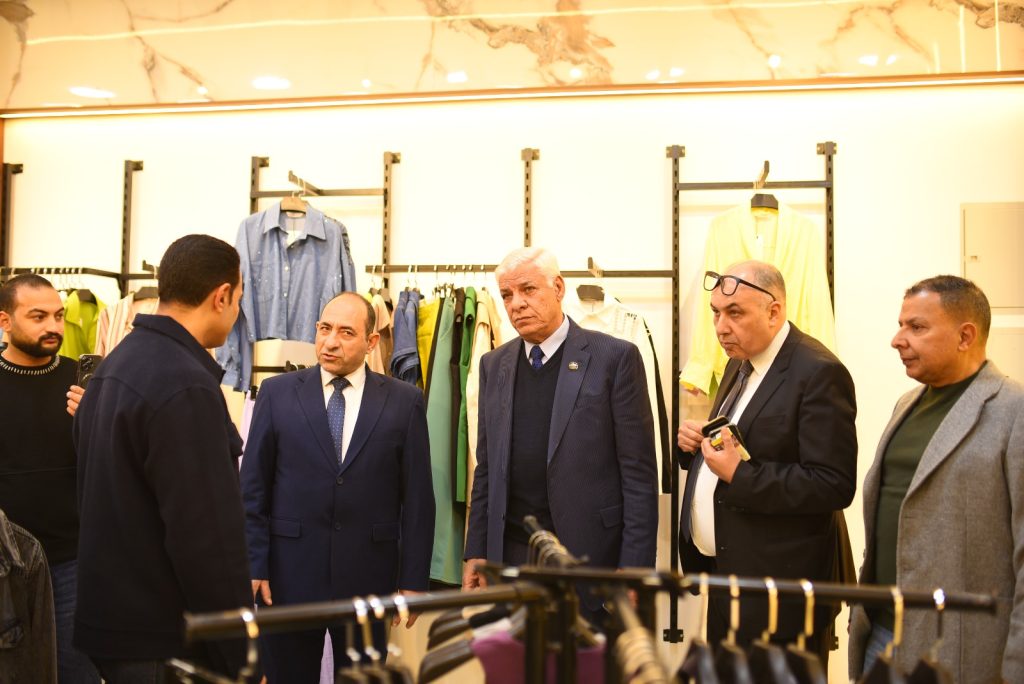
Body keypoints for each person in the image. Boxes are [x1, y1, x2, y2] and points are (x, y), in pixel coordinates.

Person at [73, 235, 252, 682]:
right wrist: (242, 656)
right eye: (238, 299)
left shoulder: (115, 365)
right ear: (222, 296)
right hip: (164, 639)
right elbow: (206, 538)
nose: (236, 312)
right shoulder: (184, 384)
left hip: (116, 628)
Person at [241, 292, 434, 683]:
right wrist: (254, 563)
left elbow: (418, 499)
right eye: (324, 329)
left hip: (369, 576)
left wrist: (414, 581)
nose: (330, 342)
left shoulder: (404, 401)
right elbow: (253, 488)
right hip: (288, 575)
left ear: (371, 341)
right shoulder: (277, 393)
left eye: (346, 332)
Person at [463, 247, 659, 619]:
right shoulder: (494, 364)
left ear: (558, 288)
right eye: (506, 295)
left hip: (589, 556)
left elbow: (638, 476)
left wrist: (635, 566)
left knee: (588, 655)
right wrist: (476, 549)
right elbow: (487, 468)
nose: (516, 304)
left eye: (528, 289)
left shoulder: (614, 358)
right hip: (512, 556)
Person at [676, 260, 857, 658]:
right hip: (728, 580)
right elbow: (750, 442)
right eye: (716, 314)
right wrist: (698, 446)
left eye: (734, 313)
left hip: (782, 595)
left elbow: (833, 484)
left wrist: (740, 475)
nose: (721, 327)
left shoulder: (819, 372)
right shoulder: (739, 362)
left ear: (774, 311)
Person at [849, 275, 1023, 683]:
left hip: (960, 650)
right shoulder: (905, 405)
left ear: (965, 336)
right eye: (900, 325)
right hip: (879, 632)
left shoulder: (1013, 412)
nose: (897, 340)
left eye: (917, 327)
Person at [0, 274, 100, 683]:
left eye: (58, 316)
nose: (54, 326)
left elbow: (114, 466)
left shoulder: (84, 381)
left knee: (77, 671)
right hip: (4, 558)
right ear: (5, 321)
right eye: (38, 316)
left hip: (70, 558)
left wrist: (93, 423)